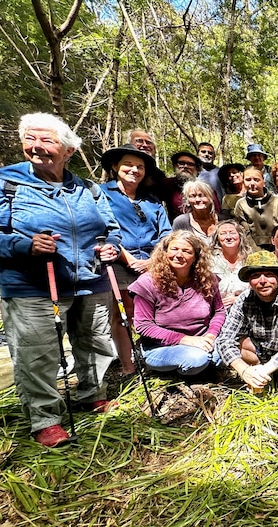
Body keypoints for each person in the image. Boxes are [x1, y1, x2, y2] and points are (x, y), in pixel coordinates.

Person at [0, 113, 123, 446]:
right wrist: (25, 245)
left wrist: (111, 247)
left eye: (46, 140)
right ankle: (45, 418)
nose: (36, 147)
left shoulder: (88, 188)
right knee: (39, 352)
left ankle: (91, 393)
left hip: (91, 279)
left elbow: (110, 229)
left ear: (68, 150)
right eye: (30, 139)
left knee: (96, 341)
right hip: (33, 284)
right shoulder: (4, 181)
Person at [100, 143, 172, 376]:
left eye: (139, 166)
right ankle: (128, 366)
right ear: (115, 166)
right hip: (119, 261)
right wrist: (128, 258)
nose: (134, 170)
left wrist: (152, 261)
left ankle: (155, 357)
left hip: (153, 262)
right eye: (128, 165)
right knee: (123, 313)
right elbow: (101, 230)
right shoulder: (101, 194)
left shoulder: (152, 201)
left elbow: (166, 235)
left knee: (156, 310)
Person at [215, 250, 278, 393]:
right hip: (260, 350)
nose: (262, 281)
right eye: (256, 276)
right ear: (249, 281)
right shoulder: (243, 300)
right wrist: (243, 370)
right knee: (236, 346)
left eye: (269, 275)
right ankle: (259, 376)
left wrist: (266, 369)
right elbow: (224, 339)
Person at [130, 231, 225, 376]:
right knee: (197, 359)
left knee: (232, 349)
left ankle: (203, 366)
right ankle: (186, 371)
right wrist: (185, 340)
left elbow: (219, 311)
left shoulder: (207, 279)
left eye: (186, 251)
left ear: (196, 257)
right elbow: (143, 326)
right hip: (162, 347)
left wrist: (211, 335)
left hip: (203, 340)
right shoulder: (147, 283)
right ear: (165, 252)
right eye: (174, 249)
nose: (179, 255)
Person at [233, 166, 278, 251]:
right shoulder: (241, 204)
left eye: (256, 180)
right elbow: (244, 232)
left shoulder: (276, 200)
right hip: (253, 251)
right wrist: (256, 254)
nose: (252, 183)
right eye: (248, 180)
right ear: (243, 181)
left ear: (263, 181)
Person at [209, 220, 252, 308]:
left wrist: (238, 299)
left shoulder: (250, 260)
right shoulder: (209, 260)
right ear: (217, 238)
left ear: (240, 236)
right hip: (217, 311)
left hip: (246, 307)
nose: (228, 237)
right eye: (223, 233)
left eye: (232, 233)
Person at [158, 150, 205, 221]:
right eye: (181, 163)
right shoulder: (166, 184)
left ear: (196, 169)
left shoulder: (205, 188)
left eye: (190, 164)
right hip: (176, 229)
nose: (186, 166)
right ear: (175, 166)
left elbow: (215, 211)